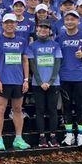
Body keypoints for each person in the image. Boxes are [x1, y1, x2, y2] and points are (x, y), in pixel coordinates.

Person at [0, 13, 30, 151]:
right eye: (7, 22)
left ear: (16, 24)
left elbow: (25, 61)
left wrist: (26, 79)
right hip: (3, 81)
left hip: (18, 81)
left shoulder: (22, 41)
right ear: (2, 25)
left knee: (18, 109)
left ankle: (18, 138)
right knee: (0, 109)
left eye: (12, 22)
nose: (10, 25)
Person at [57, 10, 82, 147]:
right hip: (64, 77)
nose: (70, 22)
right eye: (67, 19)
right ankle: (69, 134)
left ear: (78, 21)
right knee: (66, 106)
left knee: (80, 107)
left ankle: (81, 135)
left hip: (80, 78)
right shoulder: (59, 37)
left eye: (73, 19)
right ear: (64, 22)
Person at [27, 20, 62, 148]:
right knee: (40, 110)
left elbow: (57, 64)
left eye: (46, 28)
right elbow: (32, 65)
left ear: (50, 31)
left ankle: (53, 136)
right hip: (38, 84)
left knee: (53, 110)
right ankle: (42, 137)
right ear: (37, 29)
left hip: (54, 83)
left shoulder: (56, 45)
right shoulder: (32, 46)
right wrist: (41, 82)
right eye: (41, 27)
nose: (43, 30)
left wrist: (50, 81)